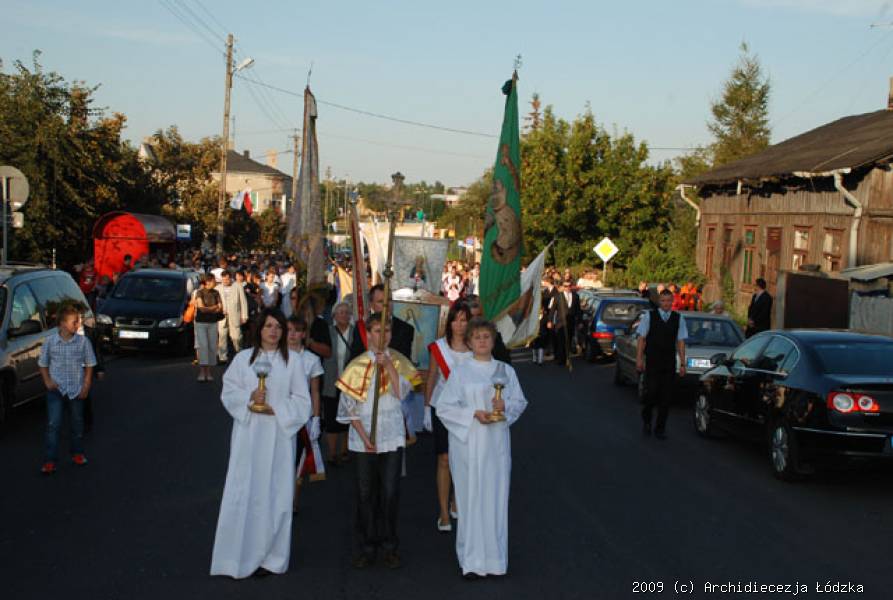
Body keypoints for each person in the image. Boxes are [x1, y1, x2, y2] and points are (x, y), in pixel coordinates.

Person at [210, 309, 312, 579]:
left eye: (278, 326)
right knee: (244, 492)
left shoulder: (293, 362)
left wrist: (276, 408)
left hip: (278, 437)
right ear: (259, 329)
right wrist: (249, 398)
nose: (274, 331)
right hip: (249, 436)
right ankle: (236, 556)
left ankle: (271, 557)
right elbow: (228, 391)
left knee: (275, 495)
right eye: (268, 326)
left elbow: (303, 402)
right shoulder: (243, 359)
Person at [436, 318, 527, 579]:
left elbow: (519, 401)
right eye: (477, 337)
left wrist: (504, 407)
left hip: (496, 444)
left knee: (494, 497)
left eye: (486, 336)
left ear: (493, 340)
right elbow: (444, 407)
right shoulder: (461, 372)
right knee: (469, 499)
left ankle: (495, 560)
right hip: (467, 444)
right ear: (469, 342)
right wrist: (472, 414)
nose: (482, 341)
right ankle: (471, 560)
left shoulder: (505, 371)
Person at [336, 315, 420, 569]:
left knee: (390, 492)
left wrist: (390, 366)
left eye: (387, 331)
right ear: (368, 334)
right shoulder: (356, 365)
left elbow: (402, 393)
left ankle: (389, 545)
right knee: (365, 494)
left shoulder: (400, 361)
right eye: (376, 331)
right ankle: (366, 546)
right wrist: (365, 438)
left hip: (391, 435)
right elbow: (348, 408)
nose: (382, 336)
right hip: (364, 439)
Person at [424, 301, 472, 533]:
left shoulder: (475, 347)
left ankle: (455, 499)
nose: (459, 325)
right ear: (449, 322)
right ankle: (443, 511)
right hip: (442, 408)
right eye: (456, 320)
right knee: (444, 458)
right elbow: (432, 376)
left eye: (464, 320)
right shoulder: (439, 347)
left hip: (467, 411)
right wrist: (426, 408)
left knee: (462, 459)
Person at [38, 304, 97, 475]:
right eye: (74, 322)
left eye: (78, 321)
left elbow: (90, 364)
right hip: (56, 389)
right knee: (53, 424)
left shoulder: (83, 342)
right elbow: (43, 364)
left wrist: (86, 386)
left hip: (76, 389)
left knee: (77, 423)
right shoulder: (50, 342)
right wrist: (47, 381)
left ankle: (77, 453)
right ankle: (50, 460)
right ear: (62, 323)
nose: (78, 324)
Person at [635, 289, 688, 440]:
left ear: (672, 302)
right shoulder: (649, 316)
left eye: (668, 301)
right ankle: (647, 420)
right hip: (653, 361)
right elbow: (641, 339)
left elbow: (681, 341)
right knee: (651, 393)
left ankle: (660, 428)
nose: (666, 304)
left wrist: (682, 363)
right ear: (659, 301)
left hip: (669, 362)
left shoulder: (678, 318)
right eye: (663, 301)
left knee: (666, 398)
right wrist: (639, 359)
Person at [287, 315, 325, 513]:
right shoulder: (275, 356)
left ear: (303, 334)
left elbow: (315, 392)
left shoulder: (311, 359)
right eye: (288, 330)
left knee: (297, 461)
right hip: (280, 415)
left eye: (297, 331)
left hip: (302, 418)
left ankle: (292, 502)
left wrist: (316, 418)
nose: (292, 335)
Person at [321, 302, 355, 466]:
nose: (343, 315)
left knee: (348, 418)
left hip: (350, 383)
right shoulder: (328, 332)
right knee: (331, 418)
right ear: (334, 315)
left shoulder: (356, 333)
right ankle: (332, 453)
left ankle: (345, 450)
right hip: (330, 381)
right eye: (340, 312)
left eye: (346, 312)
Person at [350, 284, 414, 359]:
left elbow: (404, 361)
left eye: (389, 300)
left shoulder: (406, 329)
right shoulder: (361, 327)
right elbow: (355, 359)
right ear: (371, 305)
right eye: (381, 301)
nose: (386, 305)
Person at [466, 295, 512, 364]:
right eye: (471, 317)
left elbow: (505, 363)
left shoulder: (495, 337)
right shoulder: (459, 339)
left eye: (479, 315)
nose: (476, 320)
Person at [194, 274, 223, 382]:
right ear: (208, 281)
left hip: (213, 323)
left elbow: (220, 307)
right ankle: (202, 372)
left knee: (212, 347)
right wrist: (214, 307)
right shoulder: (199, 292)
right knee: (203, 346)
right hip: (201, 323)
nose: (215, 282)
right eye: (214, 280)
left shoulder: (216, 292)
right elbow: (201, 308)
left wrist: (211, 308)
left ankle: (209, 372)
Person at [217, 271, 249, 364]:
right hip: (222, 316)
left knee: (236, 337)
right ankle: (222, 357)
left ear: (231, 278)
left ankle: (239, 353)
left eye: (227, 279)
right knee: (222, 337)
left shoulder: (238, 286)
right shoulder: (217, 288)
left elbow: (243, 301)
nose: (225, 281)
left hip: (235, 315)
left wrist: (244, 316)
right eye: (223, 280)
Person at [547, 278, 570, 366]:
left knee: (568, 341)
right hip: (560, 323)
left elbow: (577, 309)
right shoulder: (557, 297)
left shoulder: (575, 296)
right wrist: (550, 321)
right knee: (560, 341)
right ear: (562, 287)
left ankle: (566, 357)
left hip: (570, 323)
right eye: (565, 286)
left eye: (569, 286)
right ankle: (561, 359)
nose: (567, 288)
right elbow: (552, 310)